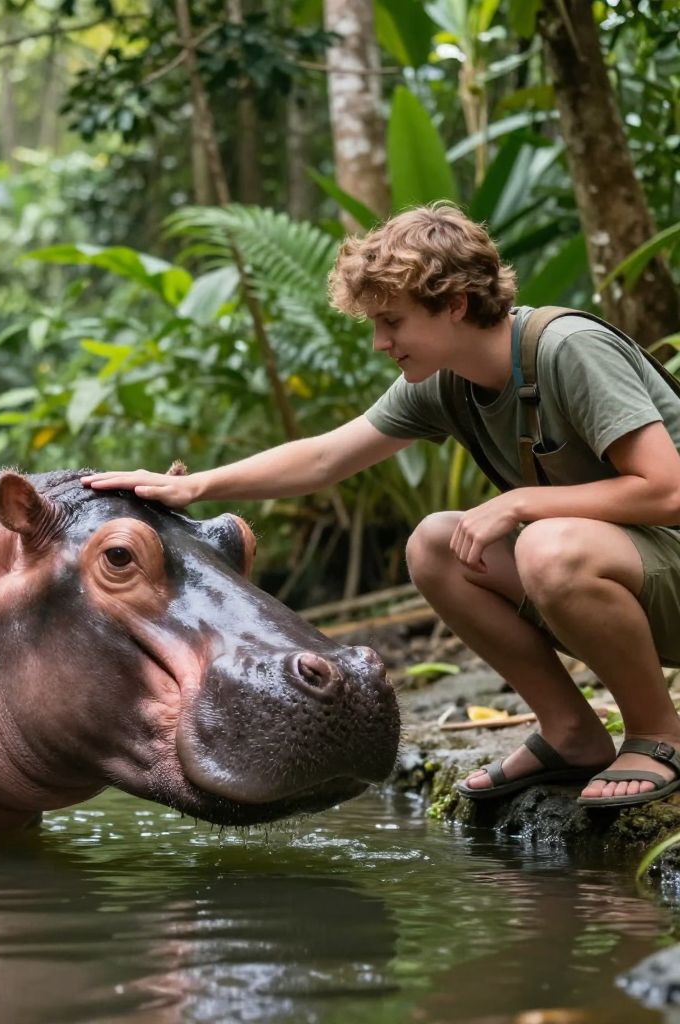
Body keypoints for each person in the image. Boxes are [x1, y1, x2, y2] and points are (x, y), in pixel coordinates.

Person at [82, 202, 680, 809]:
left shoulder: (568, 349)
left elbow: (670, 490)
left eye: (392, 321)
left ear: (456, 304)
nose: (379, 342)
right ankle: (571, 733)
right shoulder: (450, 382)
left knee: (550, 547)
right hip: (640, 573)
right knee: (435, 547)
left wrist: (525, 503)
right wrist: (194, 488)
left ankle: (657, 735)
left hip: (662, 557)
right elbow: (324, 458)